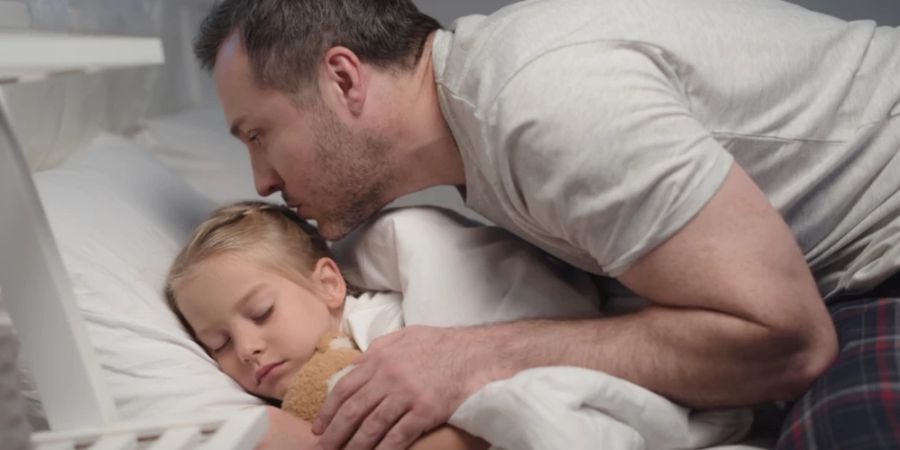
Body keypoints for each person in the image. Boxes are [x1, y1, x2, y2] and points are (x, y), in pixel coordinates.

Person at [193, 0, 900, 449]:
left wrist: (470, 357)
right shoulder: (482, 138)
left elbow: (790, 342)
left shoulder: (543, 107)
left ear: (343, 80)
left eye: (258, 134)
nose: (262, 182)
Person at [164, 201, 489, 450]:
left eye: (261, 312)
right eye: (220, 343)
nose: (247, 349)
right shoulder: (288, 398)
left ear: (329, 284)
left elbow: (480, 426)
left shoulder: (386, 332)